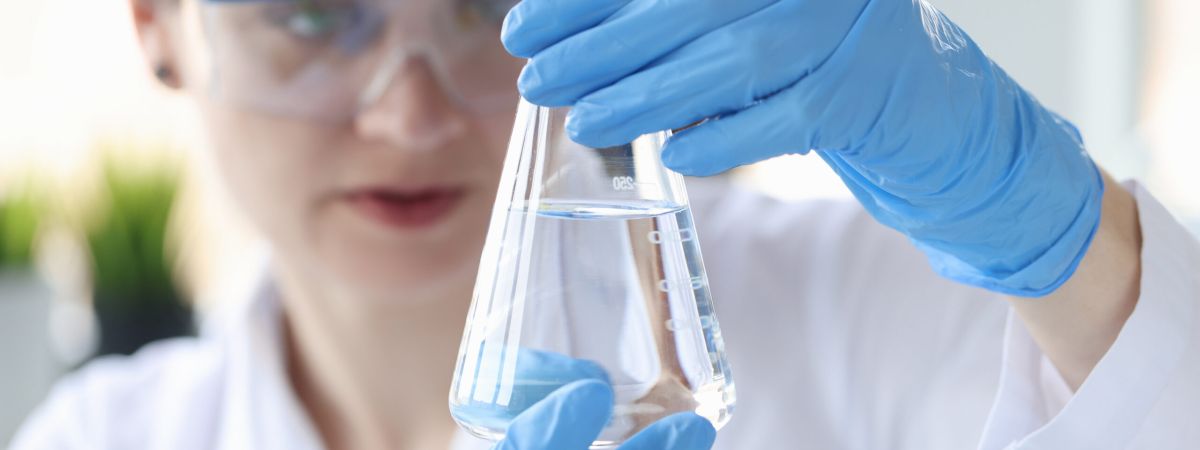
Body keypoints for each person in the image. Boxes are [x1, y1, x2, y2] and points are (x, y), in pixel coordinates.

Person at [11, 0, 1200, 449]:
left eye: (488, 10)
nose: (412, 113)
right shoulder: (105, 440)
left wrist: (1047, 225)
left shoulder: (865, 310)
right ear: (158, 27)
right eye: (317, 17)